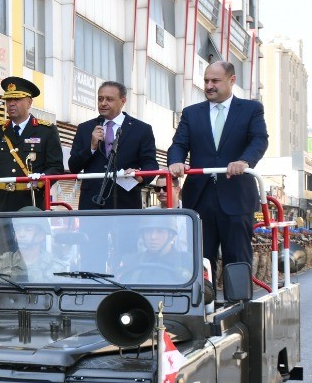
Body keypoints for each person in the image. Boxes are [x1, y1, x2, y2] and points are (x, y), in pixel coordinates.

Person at [166, 60, 270, 270]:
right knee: (200, 260)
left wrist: (244, 161)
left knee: (237, 258)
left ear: (232, 80)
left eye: (215, 80)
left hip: (236, 196)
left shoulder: (251, 109)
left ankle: (240, 301)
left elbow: (259, 139)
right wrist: (176, 161)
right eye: (206, 81)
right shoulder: (191, 113)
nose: (209, 85)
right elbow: (178, 144)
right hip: (199, 197)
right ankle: (203, 302)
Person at [0, 77, 65, 212]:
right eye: (8, 100)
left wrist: (42, 178)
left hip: (31, 199)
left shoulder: (46, 130)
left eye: (17, 99)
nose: (11, 104)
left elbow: (56, 167)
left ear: (29, 102)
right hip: (1, 202)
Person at [67, 81, 159, 210]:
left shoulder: (141, 129)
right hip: (92, 202)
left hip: (125, 201)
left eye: (109, 99)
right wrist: (91, 147)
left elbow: (151, 164)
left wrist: (140, 176)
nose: (103, 103)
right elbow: (73, 166)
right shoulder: (85, 128)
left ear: (123, 101)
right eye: (100, 99)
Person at [0, 216, 55, 281]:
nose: (21, 234)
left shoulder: (56, 268)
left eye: (28, 229)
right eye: (18, 229)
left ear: (41, 236)